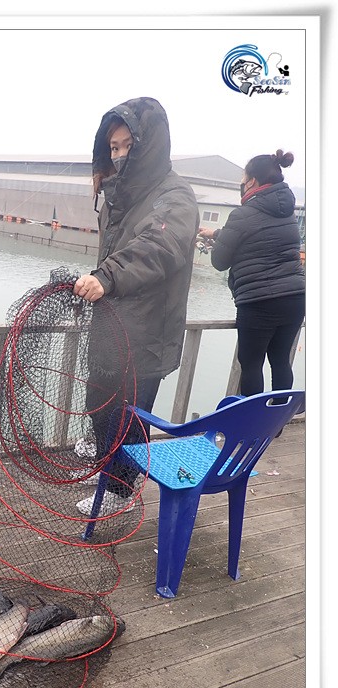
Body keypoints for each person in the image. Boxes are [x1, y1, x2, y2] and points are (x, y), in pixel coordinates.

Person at [72, 97, 200, 517]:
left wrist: (106, 277)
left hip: (146, 334)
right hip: (111, 326)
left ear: (150, 146)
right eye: (114, 147)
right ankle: (105, 470)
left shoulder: (175, 195)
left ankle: (121, 491)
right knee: (99, 404)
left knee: (129, 418)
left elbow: (159, 245)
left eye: (129, 146)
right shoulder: (117, 194)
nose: (120, 155)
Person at [198, 150, 305, 399]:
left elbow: (219, 261)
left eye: (243, 179)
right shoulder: (287, 212)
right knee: (280, 360)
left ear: (252, 182)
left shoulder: (242, 214)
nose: (242, 184)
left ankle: (253, 420)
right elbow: (258, 235)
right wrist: (217, 234)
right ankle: (278, 418)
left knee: (252, 364)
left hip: (259, 302)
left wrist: (218, 241)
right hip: (295, 298)